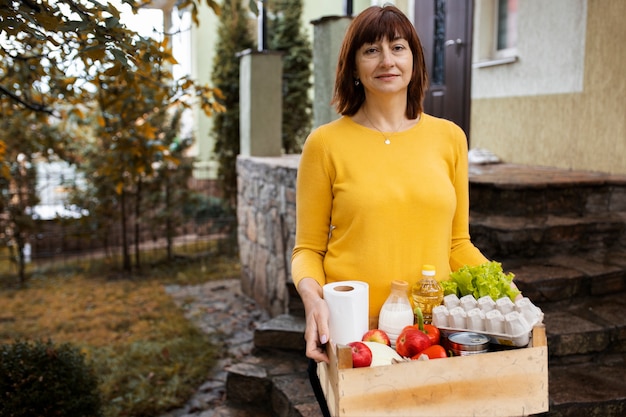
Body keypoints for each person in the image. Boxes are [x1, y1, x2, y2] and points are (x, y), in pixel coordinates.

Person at [291, 5, 518, 415]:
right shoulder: (325, 144)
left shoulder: (449, 138)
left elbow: (458, 243)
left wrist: (505, 291)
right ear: (353, 66)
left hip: (432, 340)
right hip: (355, 340)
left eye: (398, 47)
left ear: (414, 58)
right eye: (371, 50)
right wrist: (313, 299)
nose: (387, 61)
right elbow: (307, 249)